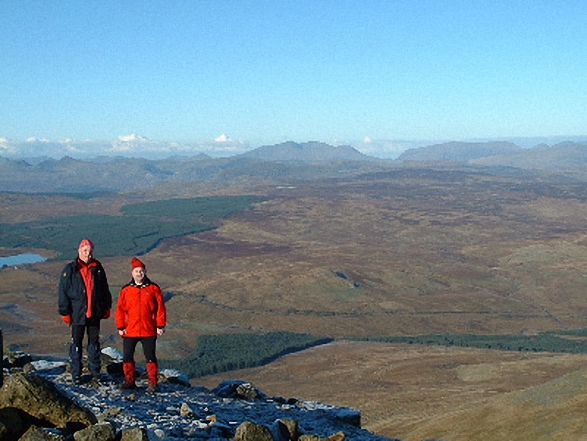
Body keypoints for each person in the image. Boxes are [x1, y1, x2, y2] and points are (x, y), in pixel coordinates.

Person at [58, 238, 112, 385]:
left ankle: (96, 372)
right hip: (77, 314)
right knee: (76, 343)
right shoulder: (70, 269)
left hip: (94, 313)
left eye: (90, 251)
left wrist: (106, 307)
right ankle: (76, 373)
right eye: (85, 250)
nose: (87, 254)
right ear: (79, 251)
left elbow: (104, 288)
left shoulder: (98, 268)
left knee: (94, 343)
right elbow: (63, 292)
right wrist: (65, 312)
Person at [116, 257, 167, 393]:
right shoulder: (126, 290)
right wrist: (121, 326)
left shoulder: (154, 288)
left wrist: (160, 325)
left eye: (141, 271)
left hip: (148, 329)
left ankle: (153, 383)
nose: (139, 273)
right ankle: (129, 381)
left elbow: (160, 308)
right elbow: (120, 309)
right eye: (137, 271)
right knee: (127, 356)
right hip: (130, 330)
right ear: (132, 273)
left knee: (150, 356)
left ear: (145, 272)